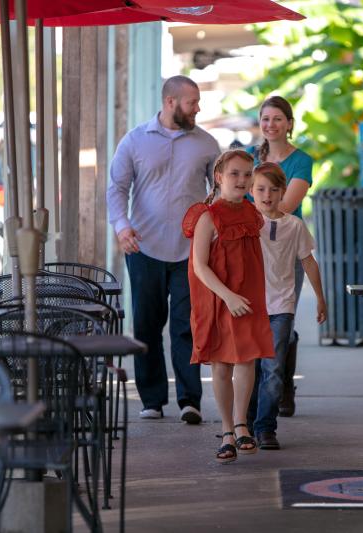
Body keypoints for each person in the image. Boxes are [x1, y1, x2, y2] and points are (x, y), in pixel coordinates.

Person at [107, 75, 220, 424]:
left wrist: (212, 229)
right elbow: (116, 187)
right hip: (144, 248)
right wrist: (121, 226)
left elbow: (218, 189)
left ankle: (190, 401)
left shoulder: (206, 144)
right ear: (170, 102)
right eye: (192, 102)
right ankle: (152, 400)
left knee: (187, 326)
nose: (198, 108)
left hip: (191, 252)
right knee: (146, 326)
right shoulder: (135, 140)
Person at [182, 150, 274, 464]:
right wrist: (228, 297)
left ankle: (242, 423)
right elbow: (199, 267)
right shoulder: (207, 215)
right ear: (219, 177)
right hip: (218, 298)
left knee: (247, 360)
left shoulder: (252, 212)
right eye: (234, 174)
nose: (242, 180)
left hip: (247, 296)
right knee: (222, 365)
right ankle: (226, 431)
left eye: (248, 174)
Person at [249, 162, 327, 449]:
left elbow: (308, 260)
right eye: (260, 189)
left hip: (281, 306)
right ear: (250, 191)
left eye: (273, 189)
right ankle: (244, 423)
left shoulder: (294, 225)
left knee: (273, 369)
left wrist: (320, 297)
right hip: (249, 306)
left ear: (283, 192)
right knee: (249, 369)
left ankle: (266, 427)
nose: (267, 195)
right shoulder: (246, 223)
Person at [247, 95, 314, 417]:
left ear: (289, 123)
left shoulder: (301, 161)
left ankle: (283, 384)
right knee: (257, 317)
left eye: (277, 119)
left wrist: (253, 209)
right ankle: (261, 395)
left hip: (286, 248)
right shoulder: (249, 157)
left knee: (281, 319)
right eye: (265, 118)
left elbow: (284, 205)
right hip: (251, 248)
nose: (270, 125)